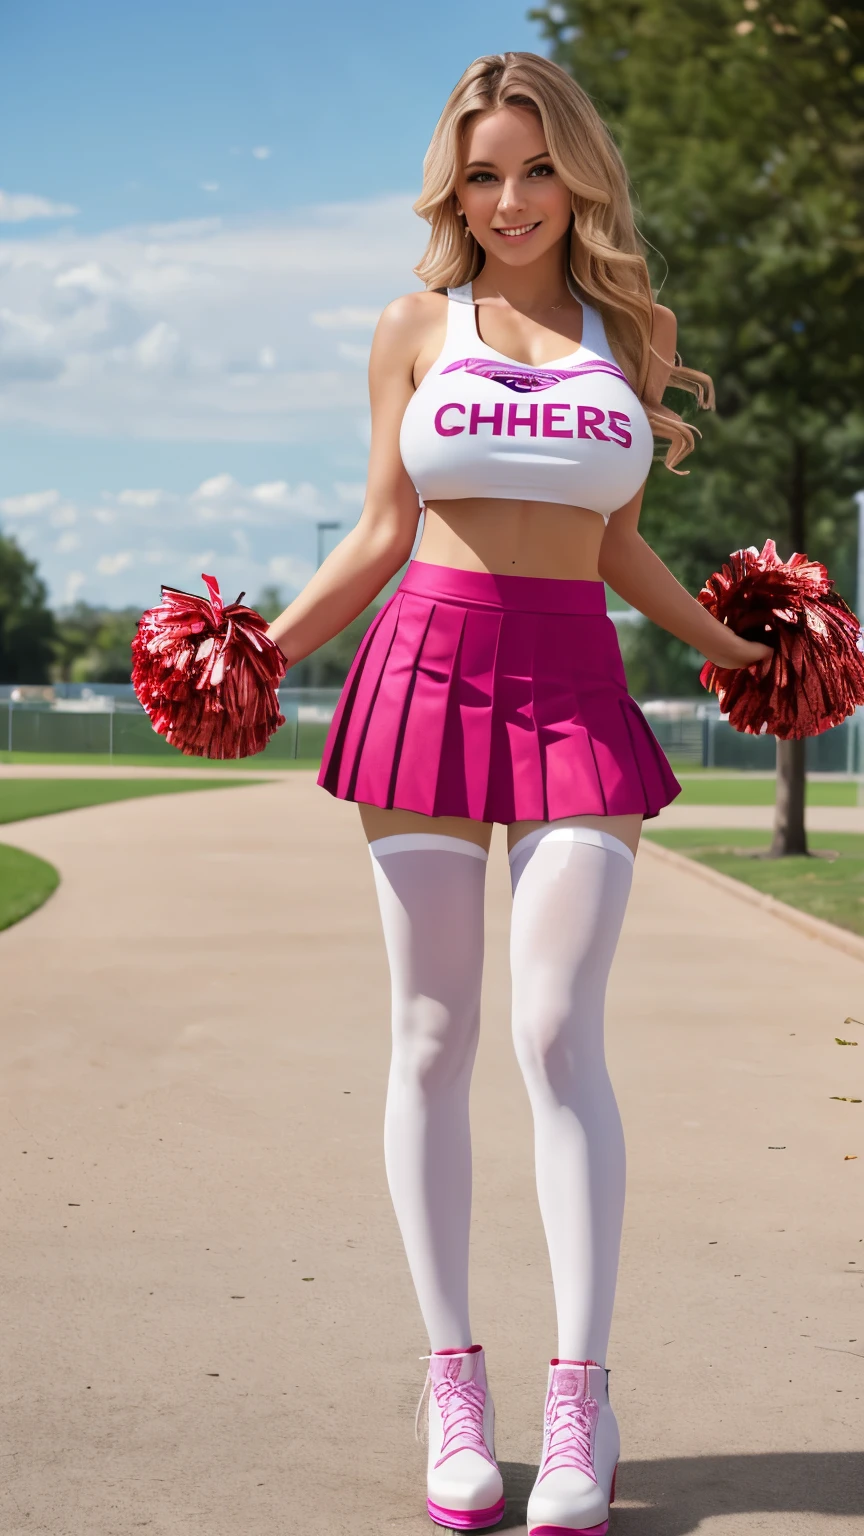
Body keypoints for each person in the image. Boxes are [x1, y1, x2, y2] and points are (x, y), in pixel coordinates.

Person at [266, 52, 772, 1536]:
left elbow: (614, 545)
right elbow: (377, 529)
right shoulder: (416, 325)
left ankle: (580, 1399)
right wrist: (257, 651)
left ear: (580, 175)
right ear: (454, 185)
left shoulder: (628, 333)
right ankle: (453, 1388)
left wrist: (738, 644)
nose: (507, 201)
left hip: (572, 683)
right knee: (432, 1032)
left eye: (534, 170)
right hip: (422, 662)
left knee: (558, 1030)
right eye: (481, 174)